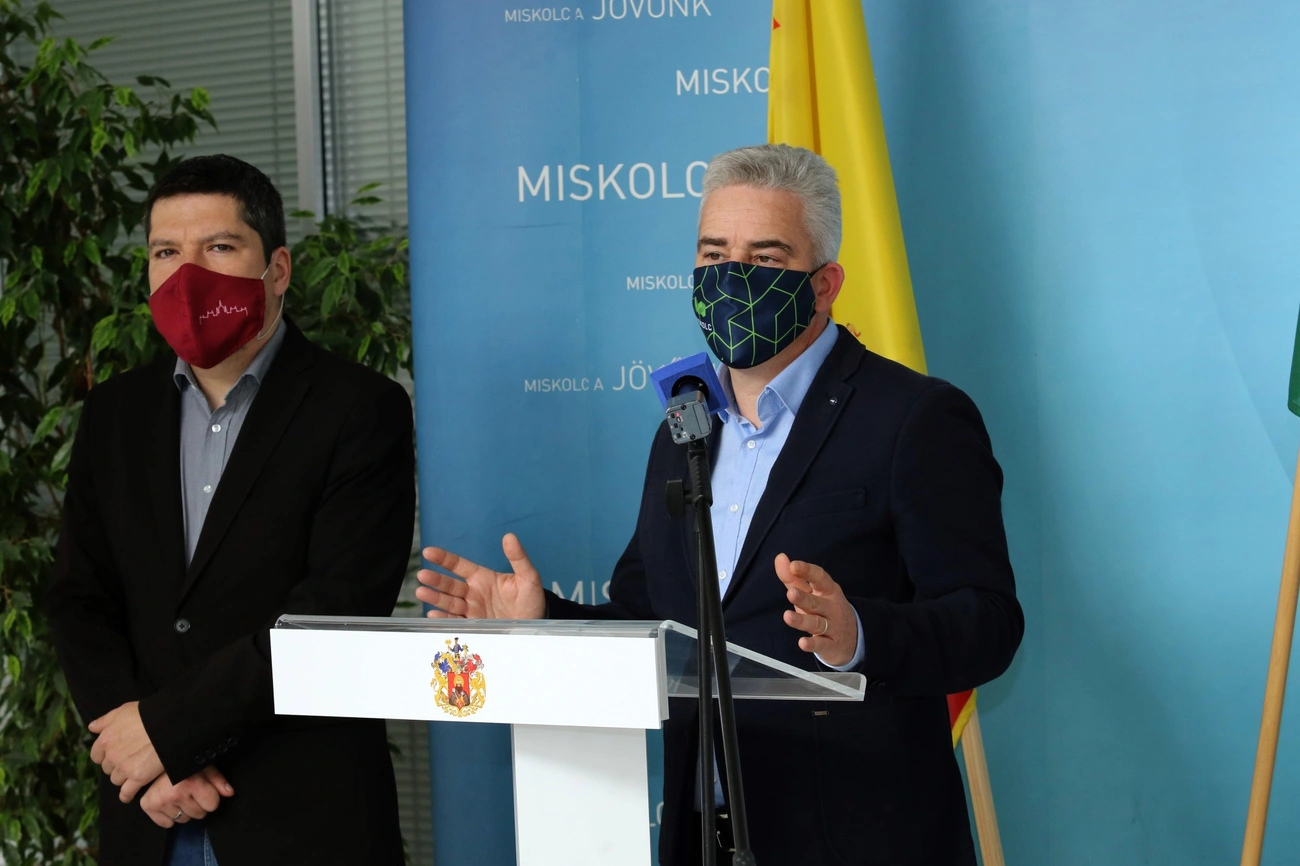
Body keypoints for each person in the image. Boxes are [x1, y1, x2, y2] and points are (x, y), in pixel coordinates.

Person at [415, 143, 1024, 865]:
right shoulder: (684, 428)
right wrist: (543, 618)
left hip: (859, 836)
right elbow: (651, 620)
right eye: (714, 255)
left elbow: (987, 621)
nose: (732, 277)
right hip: (703, 833)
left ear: (825, 284)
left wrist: (859, 635)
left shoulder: (914, 417)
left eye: (764, 258)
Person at [46, 154, 415, 866]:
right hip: (148, 815)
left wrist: (166, 735)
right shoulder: (114, 413)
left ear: (277, 269)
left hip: (300, 812)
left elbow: (333, 609)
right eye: (165, 252)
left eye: (218, 247)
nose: (187, 274)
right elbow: (79, 599)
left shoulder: (360, 408)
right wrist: (142, 756)